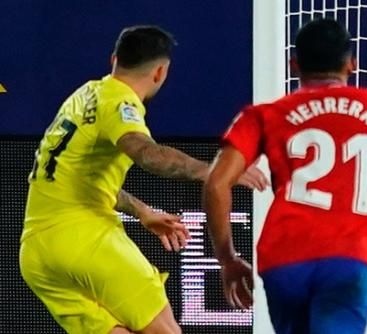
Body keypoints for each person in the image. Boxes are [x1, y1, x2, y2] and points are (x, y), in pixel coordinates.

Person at [20, 25, 268, 334]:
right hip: (84, 240)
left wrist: (142, 211)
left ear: (114, 59)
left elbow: (78, 180)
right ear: (161, 72)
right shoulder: (120, 103)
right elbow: (147, 153)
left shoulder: (84, 95)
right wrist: (216, 171)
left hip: (37, 253)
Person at [204, 18, 367, 333]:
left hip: (284, 259)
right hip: (350, 257)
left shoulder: (263, 115)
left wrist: (227, 258)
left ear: (294, 65)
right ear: (352, 64)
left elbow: (216, 183)